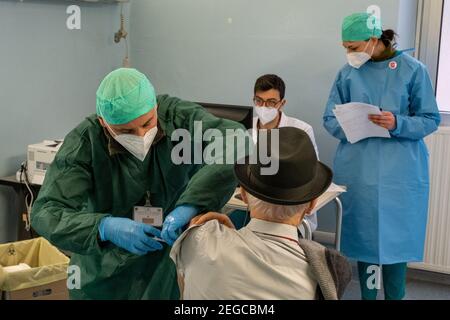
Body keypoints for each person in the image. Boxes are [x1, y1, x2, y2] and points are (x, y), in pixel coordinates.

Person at [31, 68, 246, 299]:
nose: (141, 135)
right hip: (104, 269)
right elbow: (45, 212)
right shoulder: (85, 143)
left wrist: (192, 204)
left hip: (166, 259)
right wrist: (104, 228)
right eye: (126, 131)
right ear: (104, 122)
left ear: (155, 106)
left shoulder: (179, 119)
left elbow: (236, 140)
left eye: (147, 123)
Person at [323, 13, 441, 300]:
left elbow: (430, 119)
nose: (348, 53)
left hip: (400, 172)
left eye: (353, 46)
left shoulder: (413, 70)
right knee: (367, 241)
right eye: (345, 47)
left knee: (395, 241)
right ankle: (369, 296)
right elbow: (329, 117)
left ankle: (395, 296)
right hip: (359, 168)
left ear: (374, 40)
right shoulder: (347, 74)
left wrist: (397, 123)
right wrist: (351, 124)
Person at [170, 127, 352, 300]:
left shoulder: (198, 240)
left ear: (243, 195)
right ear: (312, 204)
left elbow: (186, 290)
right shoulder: (322, 277)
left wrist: (214, 233)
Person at [230, 74, 320, 233]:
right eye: (259, 101)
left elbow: (312, 174)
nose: (264, 107)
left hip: (287, 209)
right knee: (228, 229)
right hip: (251, 205)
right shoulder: (244, 127)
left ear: (282, 103)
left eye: (271, 102)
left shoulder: (301, 130)